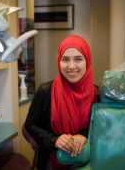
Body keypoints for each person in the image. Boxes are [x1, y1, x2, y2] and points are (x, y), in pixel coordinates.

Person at [24, 35, 98, 170]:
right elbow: (29, 125)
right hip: (50, 162)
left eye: (78, 59)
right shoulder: (45, 91)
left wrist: (83, 135)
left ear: (87, 61)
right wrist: (55, 140)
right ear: (59, 61)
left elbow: (101, 129)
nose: (71, 66)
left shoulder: (98, 95)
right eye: (65, 59)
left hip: (87, 162)